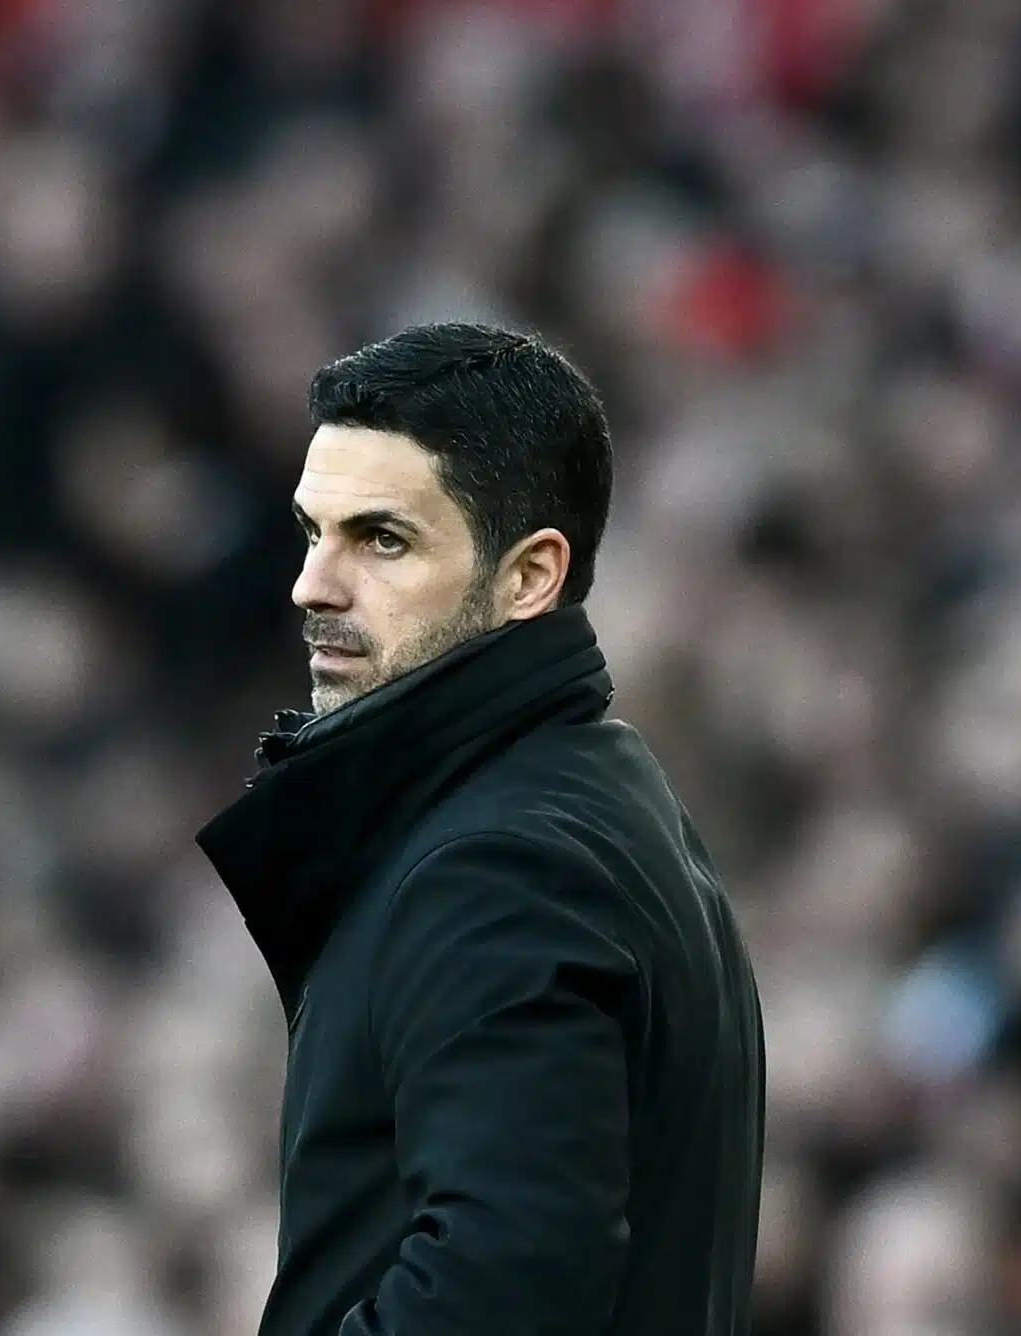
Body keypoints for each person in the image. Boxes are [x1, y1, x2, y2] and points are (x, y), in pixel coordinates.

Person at [196, 324, 765, 1336]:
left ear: (529, 576)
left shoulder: (499, 861)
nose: (313, 584)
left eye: (381, 539)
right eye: (312, 531)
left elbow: (499, 1289)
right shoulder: (589, 797)